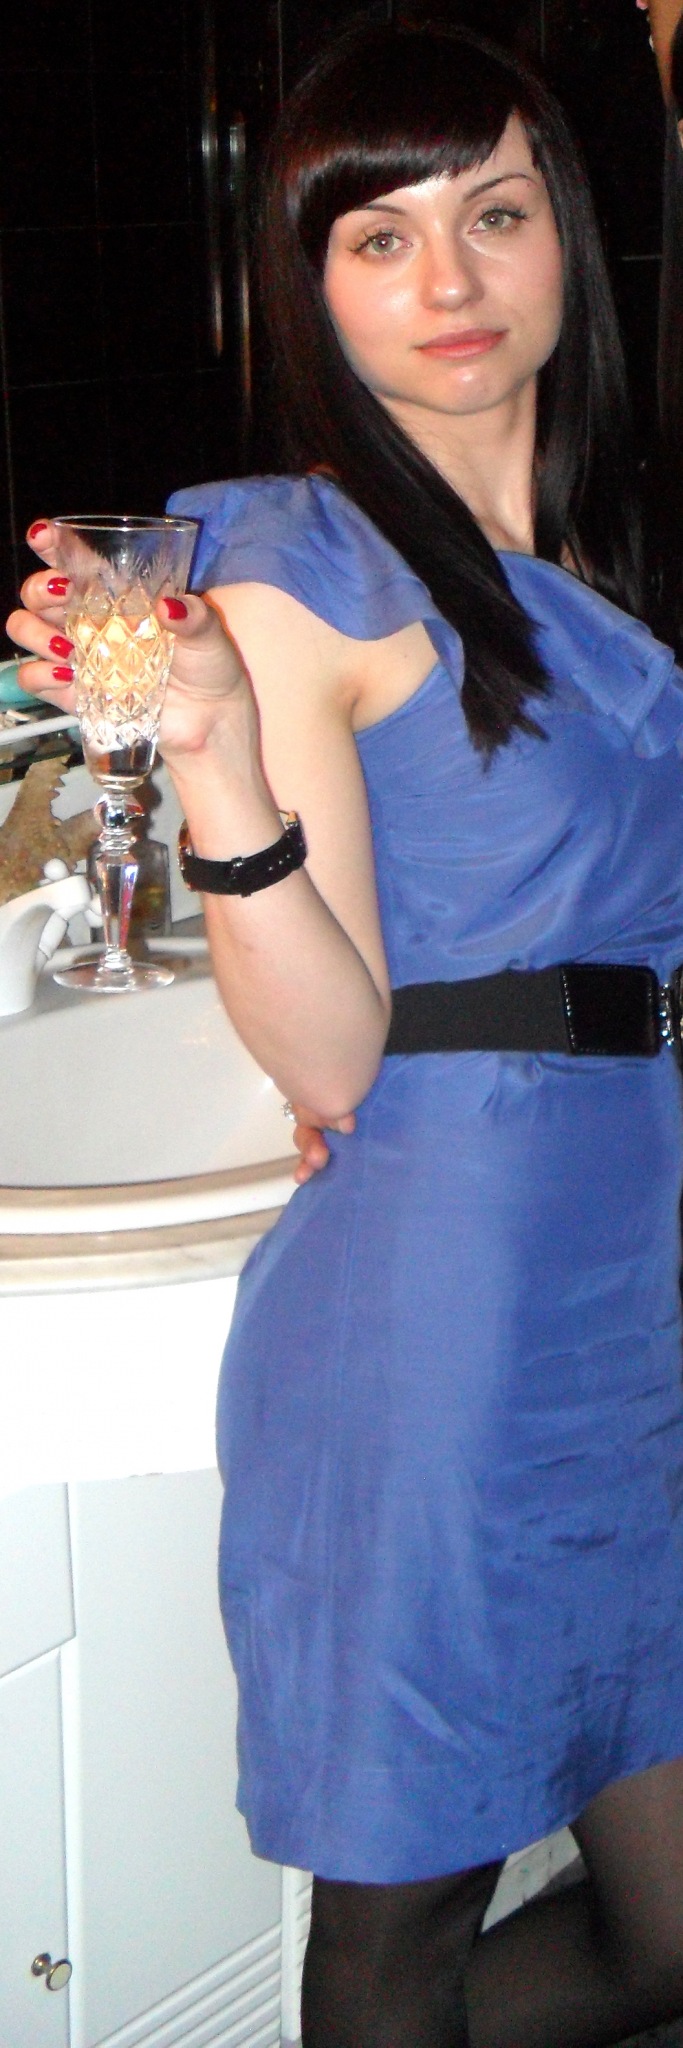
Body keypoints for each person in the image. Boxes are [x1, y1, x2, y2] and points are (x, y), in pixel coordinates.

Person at [9, 23, 683, 2046]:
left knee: (669, 1936)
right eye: (378, 238)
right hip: (448, 1315)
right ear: (308, 285)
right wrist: (216, 752)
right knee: (398, 1929)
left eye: (495, 213)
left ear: (567, 236)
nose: (450, 279)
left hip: (634, 1271)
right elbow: (327, 1056)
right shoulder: (292, 565)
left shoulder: (618, 543)